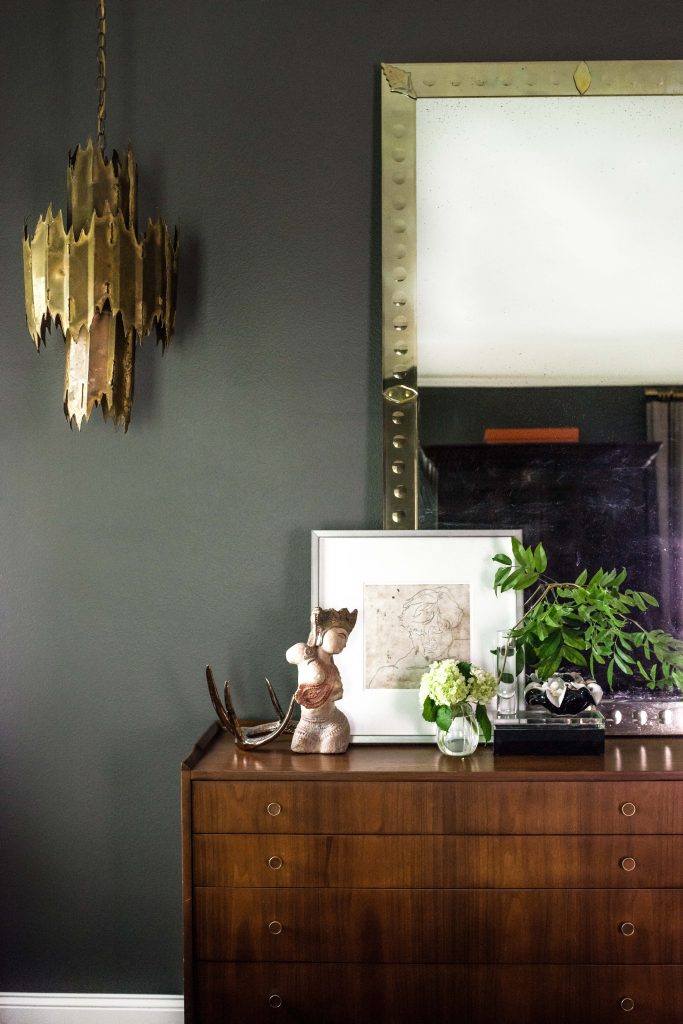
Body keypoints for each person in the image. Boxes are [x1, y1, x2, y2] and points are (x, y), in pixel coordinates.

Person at [286, 606, 357, 753]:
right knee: (298, 747)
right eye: (341, 636)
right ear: (320, 632)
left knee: (329, 750)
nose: (345, 644)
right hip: (306, 725)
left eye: (346, 638)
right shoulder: (306, 655)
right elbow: (289, 655)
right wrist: (306, 650)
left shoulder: (333, 668)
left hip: (333, 724)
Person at [367, 586, 468, 689]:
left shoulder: (463, 671)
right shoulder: (387, 675)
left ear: (450, 630)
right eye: (419, 632)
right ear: (410, 633)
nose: (428, 640)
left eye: (436, 630)